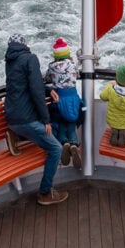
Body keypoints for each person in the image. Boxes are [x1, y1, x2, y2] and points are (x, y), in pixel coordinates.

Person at [3, 33, 68, 205]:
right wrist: (45, 120)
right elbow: (36, 90)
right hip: (25, 120)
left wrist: (48, 90)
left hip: (11, 119)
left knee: (39, 131)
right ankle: (45, 193)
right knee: (55, 149)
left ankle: (17, 136)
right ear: (26, 45)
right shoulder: (29, 58)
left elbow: (25, 84)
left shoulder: (10, 61)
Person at [44, 37, 83, 168]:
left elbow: (46, 78)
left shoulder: (51, 66)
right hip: (73, 99)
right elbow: (77, 72)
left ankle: (64, 143)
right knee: (71, 124)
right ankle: (74, 144)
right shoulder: (72, 65)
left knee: (60, 124)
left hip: (58, 99)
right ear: (67, 54)